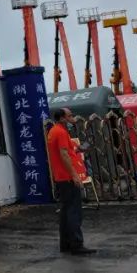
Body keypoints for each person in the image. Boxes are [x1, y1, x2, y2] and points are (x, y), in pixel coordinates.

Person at [47, 107, 96, 255]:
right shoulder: (61, 132)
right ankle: (76, 244)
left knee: (65, 211)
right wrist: (74, 175)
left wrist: (78, 149)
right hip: (67, 177)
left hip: (61, 176)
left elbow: (66, 151)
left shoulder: (54, 131)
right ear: (62, 118)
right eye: (69, 116)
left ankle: (66, 244)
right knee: (73, 211)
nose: (72, 118)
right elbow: (64, 155)